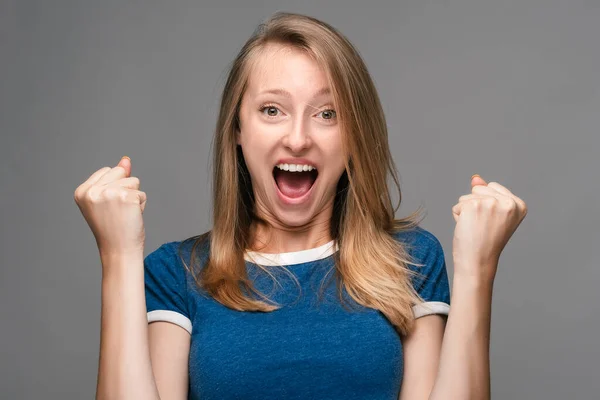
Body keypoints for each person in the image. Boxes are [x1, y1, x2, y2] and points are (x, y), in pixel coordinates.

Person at [74, 11, 527, 400]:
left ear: (353, 136)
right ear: (238, 130)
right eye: (273, 110)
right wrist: (118, 257)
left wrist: (477, 269)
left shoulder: (410, 260)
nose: (298, 138)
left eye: (327, 113)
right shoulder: (177, 274)